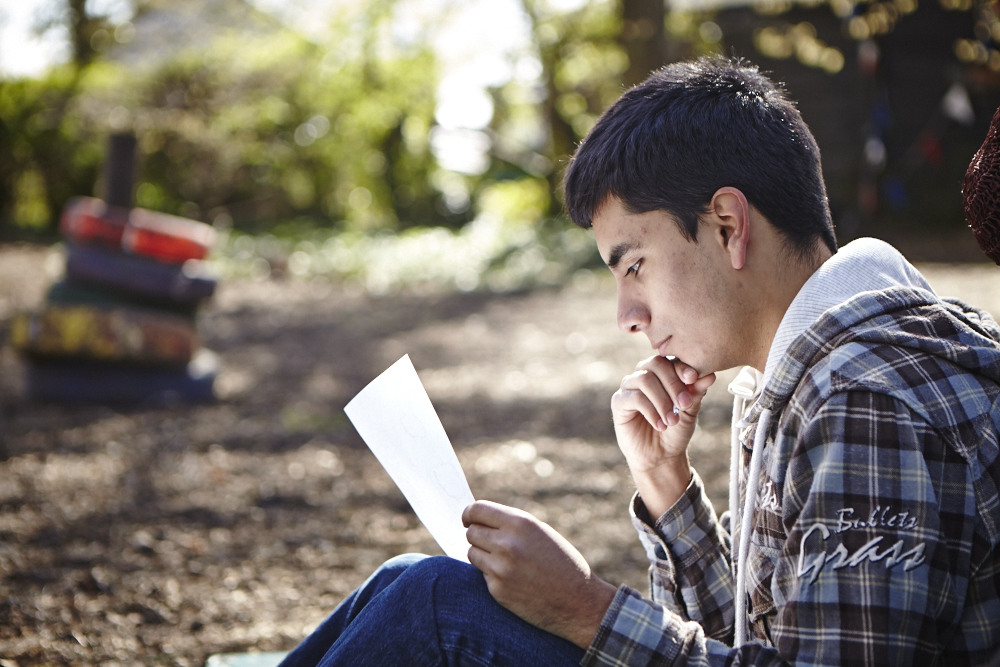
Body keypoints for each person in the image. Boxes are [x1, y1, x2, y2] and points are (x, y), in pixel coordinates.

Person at [279, 57, 1000, 666]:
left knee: (430, 604)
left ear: (727, 225)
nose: (626, 316)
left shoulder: (867, 396)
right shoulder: (806, 366)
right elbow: (761, 643)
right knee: (412, 580)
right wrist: (667, 487)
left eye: (634, 267)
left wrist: (584, 607)